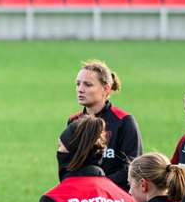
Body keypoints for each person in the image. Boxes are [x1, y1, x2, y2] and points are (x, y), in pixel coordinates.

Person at [61, 60, 142, 190]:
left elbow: (133, 168)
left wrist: (99, 185)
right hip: (83, 197)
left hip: (115, 199)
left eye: (88, 85)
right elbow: (69, 163)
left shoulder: (124, 121)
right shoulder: (74, 121)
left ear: (106, 89)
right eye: (78, 84)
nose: (80, 89)